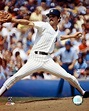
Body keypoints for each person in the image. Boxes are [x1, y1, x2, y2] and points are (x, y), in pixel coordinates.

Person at [0, 9, 89, 98]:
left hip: (47, 60)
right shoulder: (44, 25)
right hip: (35, 58)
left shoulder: (57, 32)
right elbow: (28, 23)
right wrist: (13, 20)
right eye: (49, 16)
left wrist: (72, 36)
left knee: (69, 77)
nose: (50, 18)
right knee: (16, 76)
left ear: (58, 19)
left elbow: (59, 37)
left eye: (53, 16)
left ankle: (83, 92)